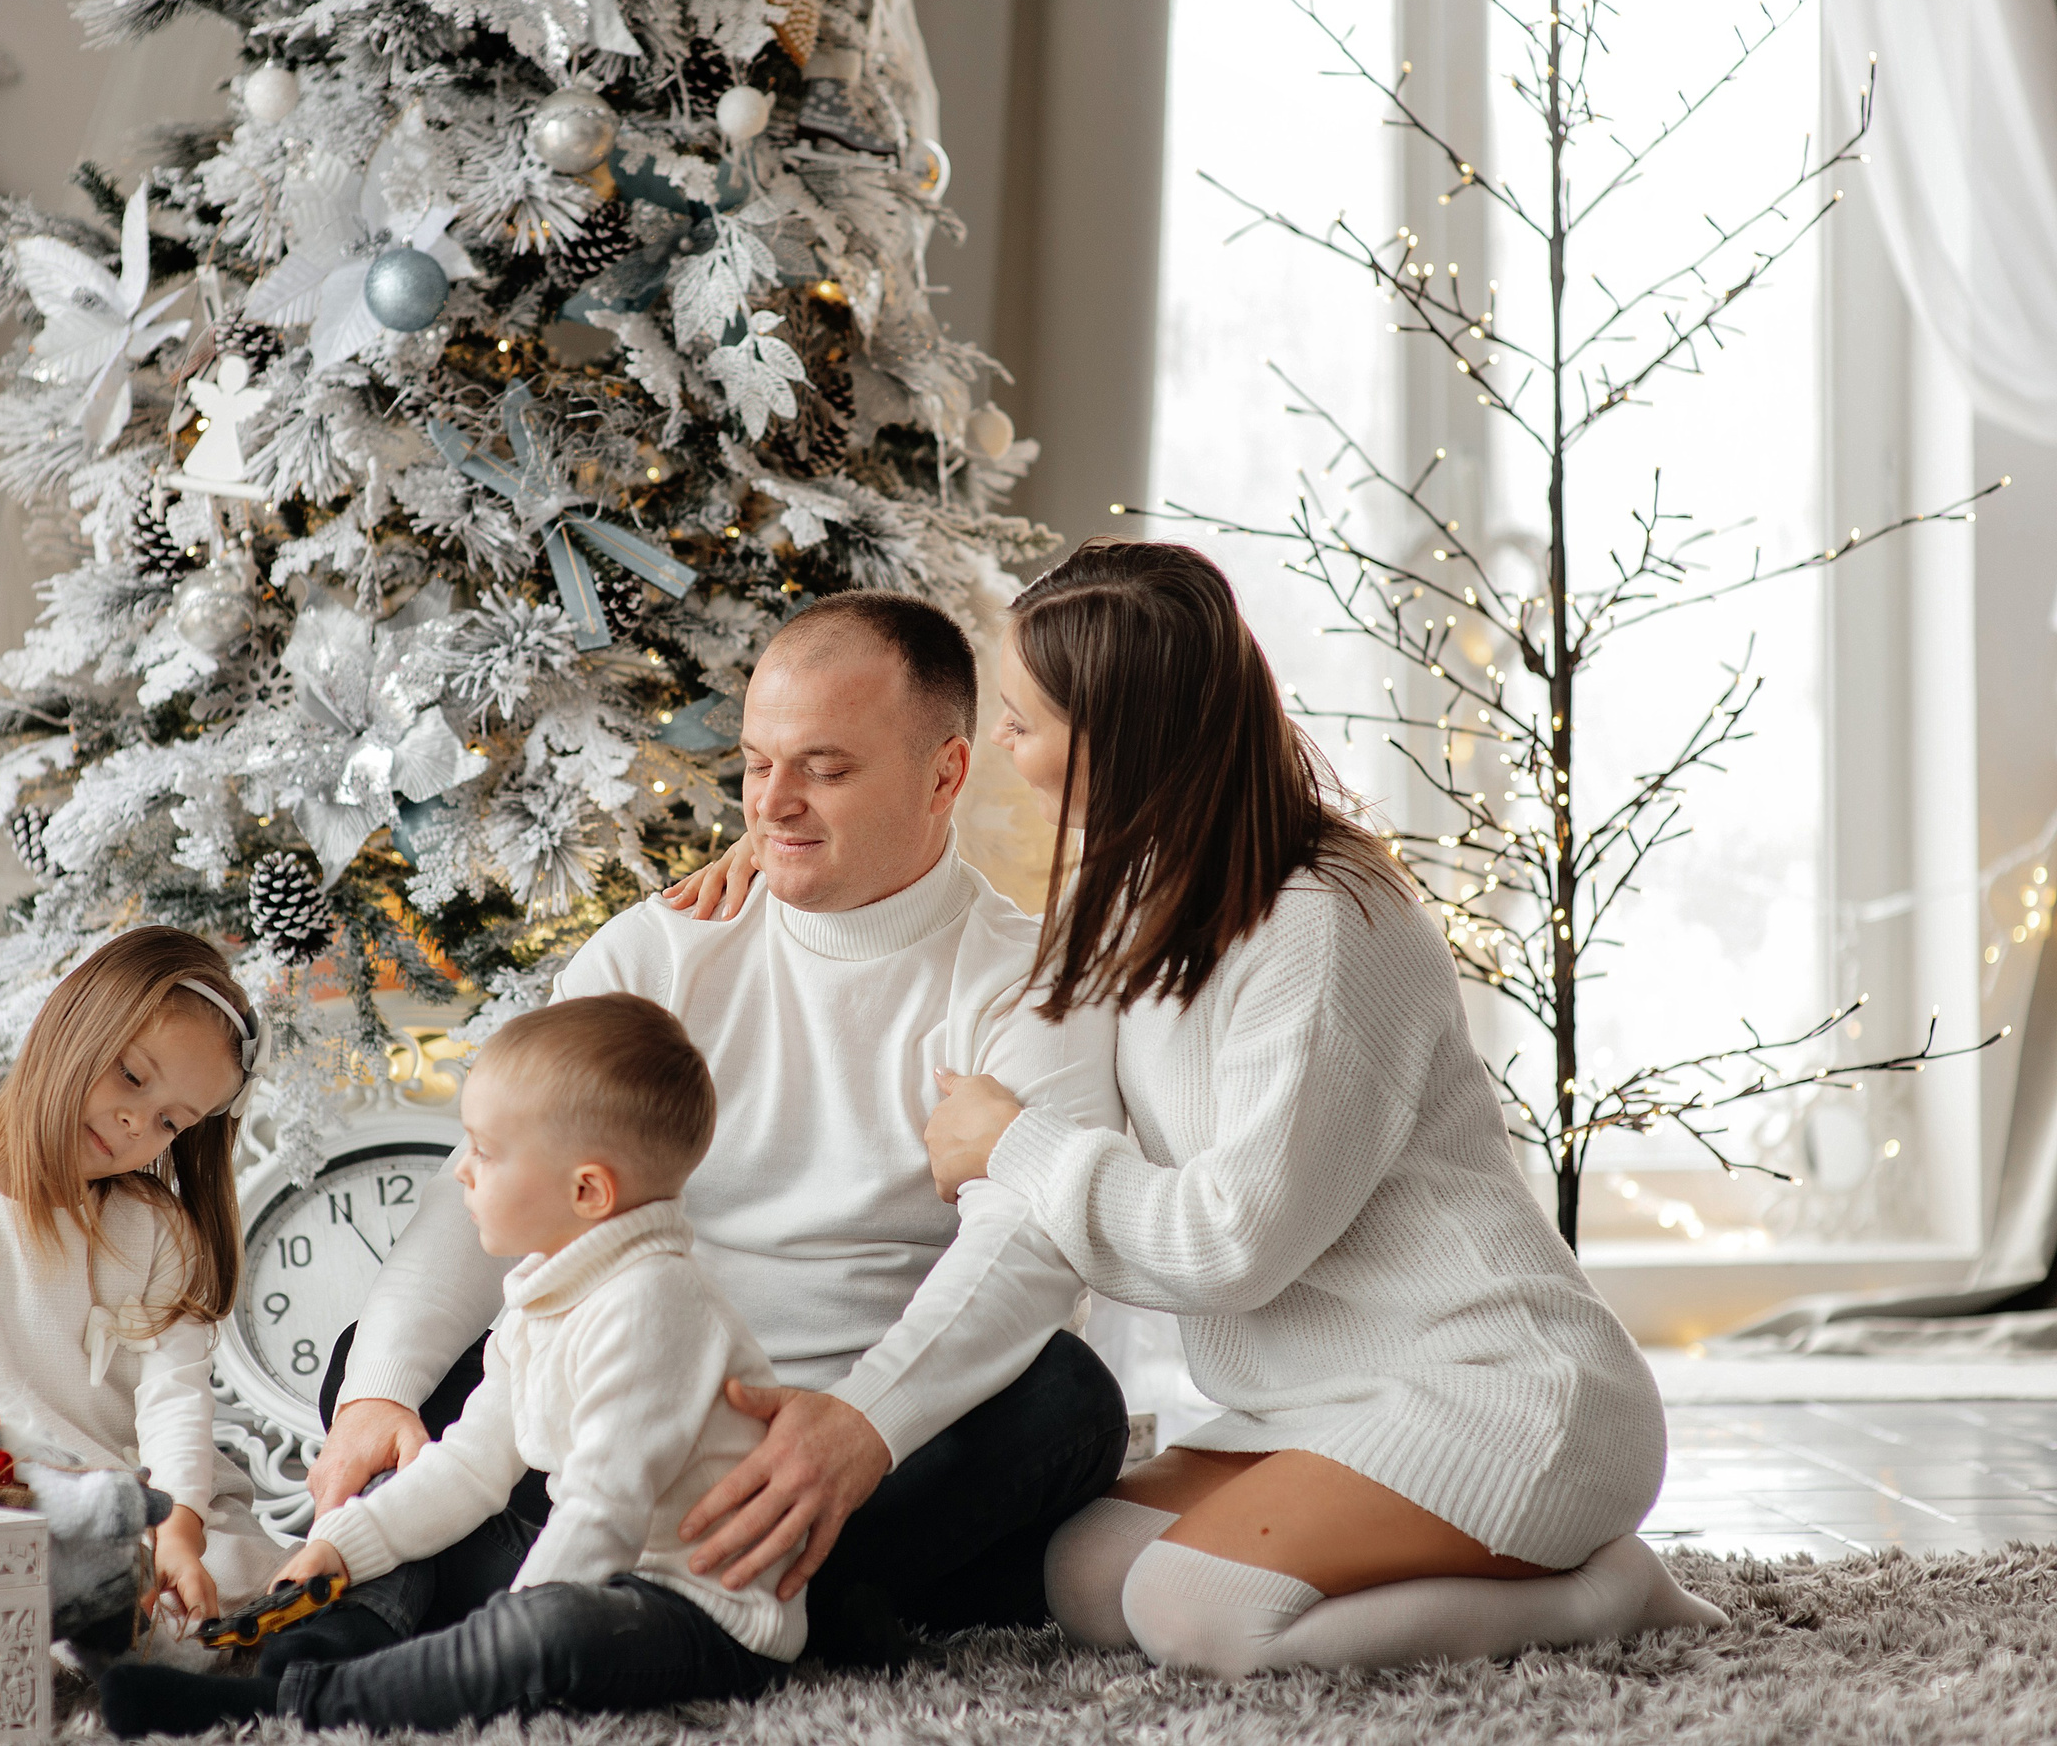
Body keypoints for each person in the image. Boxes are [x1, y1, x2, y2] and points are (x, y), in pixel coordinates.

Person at [683, 539, 1726, 1676]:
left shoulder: (1324, 924)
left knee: (1197, 1612)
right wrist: (787, 855)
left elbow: (1231, 1244)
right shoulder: (1130, 885)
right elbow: (981, 954)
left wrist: (1014, 1145)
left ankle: (1600, 1597)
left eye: (1025, 723)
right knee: (1084, 1576)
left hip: (1497, 1392)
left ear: (1117, 738)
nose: (1001, 752)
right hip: (1309, 1402)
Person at [307, 590, 1130, 1664]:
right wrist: (378, 1394)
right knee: (373, 1365)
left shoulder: (1029, 981)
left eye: (825, 770)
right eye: (755, 764)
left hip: (860, 1434)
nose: (773, 805)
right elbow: (493, 1180)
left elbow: (1022, 1253)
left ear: (945, 775)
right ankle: (755, 1609)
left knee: (1069, 1407)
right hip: (628, 1408)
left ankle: (570, 1588)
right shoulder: (662, 950)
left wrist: (859, 1430)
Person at [98, 994, 802, 1736]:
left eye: (485, 1152)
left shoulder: (655, 1302)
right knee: (407, 1482)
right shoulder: (541, 1297)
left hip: (698, 1613)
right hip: (596, 1563)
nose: (461, 1171)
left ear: (587, 1190)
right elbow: (469, 1466)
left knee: (546, 1628)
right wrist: (340, 1543)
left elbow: (605, 1508)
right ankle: (313, 1654)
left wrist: (506, 1629)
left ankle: (295, 1707)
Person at [0, 926, 285, 1633]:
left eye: (170, 1120)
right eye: (133, 1077)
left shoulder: (158, 1228)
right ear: (71, 1024)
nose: (136, 1121)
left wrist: (177, 1533)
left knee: (249, 1584)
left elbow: (174, 1401)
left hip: (141, 1501)